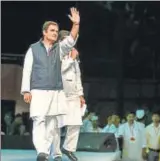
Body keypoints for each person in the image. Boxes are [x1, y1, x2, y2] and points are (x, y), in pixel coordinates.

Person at [20, 7, 80, 161]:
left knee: (52, 124)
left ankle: (45, 153)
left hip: (56, 91)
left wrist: (76, 24)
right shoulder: (33, 49)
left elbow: (71, 40)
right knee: (39, 120)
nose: (55, 33)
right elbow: (27, 70)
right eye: (52, 30)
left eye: (56, 31)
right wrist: (26, 91)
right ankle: (41, 151)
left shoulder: (59, 49)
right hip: (38, 91)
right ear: (44, 32)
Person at [51, 30, 85, 161]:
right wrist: (71, 58)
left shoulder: (73, 54)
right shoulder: (55, 53)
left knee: (76, 123)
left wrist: (80, 94)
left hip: (73, 94)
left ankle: (68, 148)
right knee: (57, 125)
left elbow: (77, 76)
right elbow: (59, 71)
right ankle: (57, 153)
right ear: (60, 41)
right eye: (65, 39)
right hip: (59, 94)